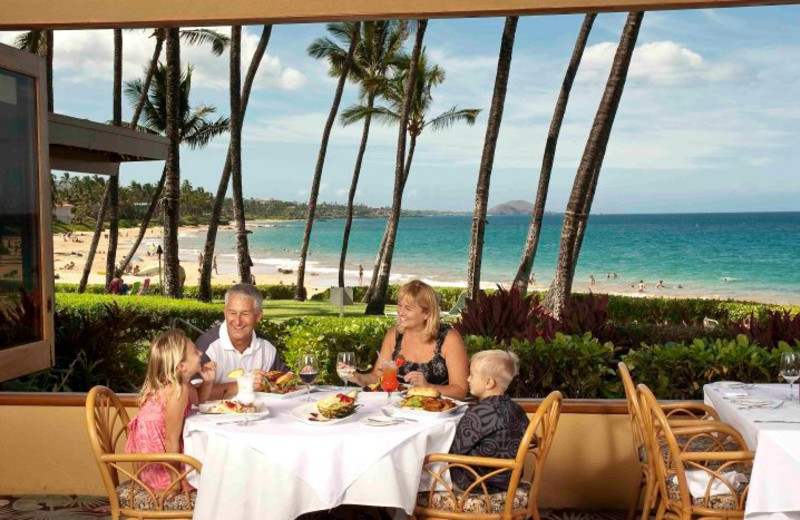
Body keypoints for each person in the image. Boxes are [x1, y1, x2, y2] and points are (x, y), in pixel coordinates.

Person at [125, 329, 216, 492]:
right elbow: (170, 440)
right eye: (195, 351)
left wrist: (208, 381)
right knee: (215, 475)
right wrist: (175, 483)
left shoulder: (181, 384)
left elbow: (198, 401)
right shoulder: (177, 391)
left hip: (158, 460)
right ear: (181, 366)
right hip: (162, 467)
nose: (201, 352)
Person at [349, 279, 469, 400]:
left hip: (437, 410)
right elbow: (378, 377)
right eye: (400, 306)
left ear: (426, 313)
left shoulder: (449, 338)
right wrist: (358, 377)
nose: (400, 312)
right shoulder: (394, 336)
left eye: (408, 308)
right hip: (400, 408)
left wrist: (428, 387)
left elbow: (460, 390)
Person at [448, 350, 529, 492]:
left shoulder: (477, 415)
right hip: (510, 481)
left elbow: (455, 452)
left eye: (471, 375)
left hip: (477, 484)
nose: (467, 379)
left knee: (425, 466)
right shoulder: (516, 409)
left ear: (489, 383)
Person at [195, 283, 290, 400]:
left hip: (258, 415)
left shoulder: (267, 346)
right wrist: (245, 384)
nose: (238, 321)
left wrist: (300, 374)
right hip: (214, 416)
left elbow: (283, 382)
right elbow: (194, 394)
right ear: (225, 313)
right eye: (232, 313)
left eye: (245, 314)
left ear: (258, 316)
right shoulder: (206, 345)